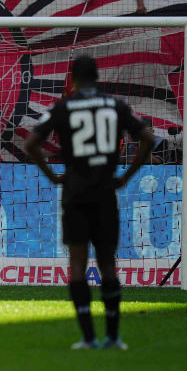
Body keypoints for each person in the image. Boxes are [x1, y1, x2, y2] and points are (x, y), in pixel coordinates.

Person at [24, 56, 154, 350]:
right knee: (108, 263)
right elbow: (147, 138)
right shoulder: (116, 105)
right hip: (106, 191)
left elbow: (30, 143)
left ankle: (87, 338)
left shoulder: (63, 107)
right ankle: (113, 337)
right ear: (98, 77)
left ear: (73, 78)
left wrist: (54, 176)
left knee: (77, 264)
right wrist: (126, 176)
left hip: (76, 191)